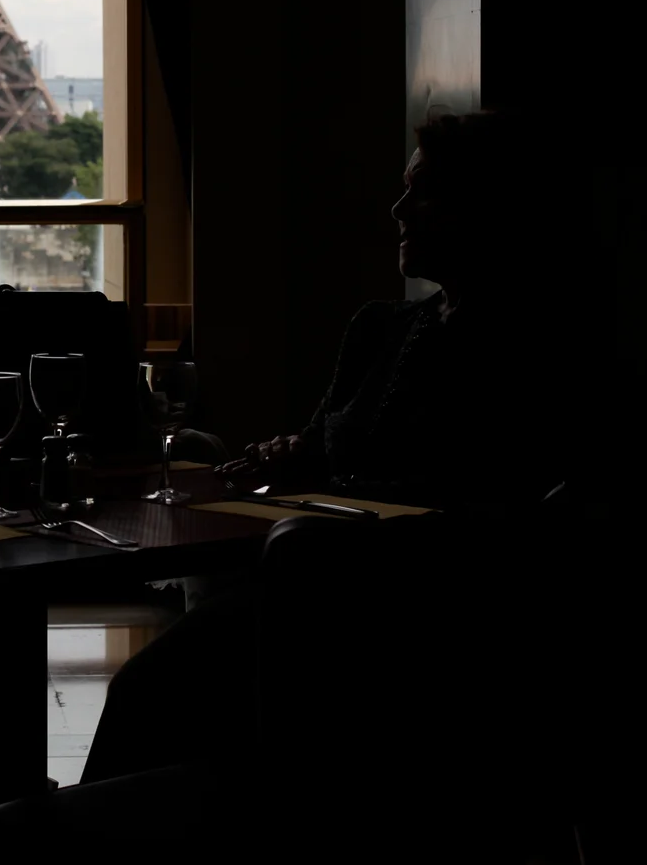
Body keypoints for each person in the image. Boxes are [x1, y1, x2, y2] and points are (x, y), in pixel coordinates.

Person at [81, 109, 588, 786]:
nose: (399, 208)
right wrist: (288, 457)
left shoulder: (532, 352)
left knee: (153, 694)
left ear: (487, 210)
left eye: (426, 193)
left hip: (400, 613)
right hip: (329, 583)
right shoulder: (382, 327)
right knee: (156, 694)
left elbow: (485, 495)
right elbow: (324, 446)